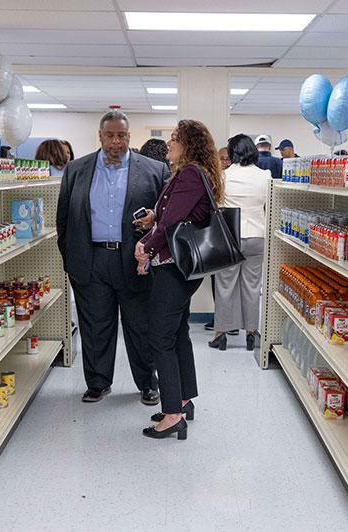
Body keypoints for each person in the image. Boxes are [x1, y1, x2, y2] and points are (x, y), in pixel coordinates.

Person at [56, 110, 169, 405]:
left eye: (121, 135)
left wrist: (153, 225)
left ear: (130, 137)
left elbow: (169, 218)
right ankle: (97, 383)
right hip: (91, 261)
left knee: (141, 327)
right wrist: (71, 260)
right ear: (100, 136)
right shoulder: (76, 170)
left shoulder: (154, 170)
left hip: (135, 262)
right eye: (110, 135)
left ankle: (147, 383)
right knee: (95, 326)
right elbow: (64, 220)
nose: (115, 142)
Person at [135, 119, 224, 440]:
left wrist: (145, 246)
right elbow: (172, 215)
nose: (168, 144)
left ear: (188, 145)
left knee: (159, 337)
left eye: (174, 139)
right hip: (181, 267)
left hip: (174, 268)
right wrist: (154, 219)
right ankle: (184, 399)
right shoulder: (189, 175)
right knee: (178, 332)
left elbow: (173, 222)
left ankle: (172, 413)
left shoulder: (189, 174)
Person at [210, 134, 268, 352]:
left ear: (232, 152)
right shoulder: (265, 176)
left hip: (231, 237)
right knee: (253, 287)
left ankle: (221, 334)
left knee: (225, 286)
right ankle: (251, 334)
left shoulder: (223, 177)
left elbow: (217, 206)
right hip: (257, 236)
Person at [204, 146, 237, 336]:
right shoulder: (213, 179)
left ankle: (228, 322)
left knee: (226, 282)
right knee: (217, 280)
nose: (224, 162)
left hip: (228, 235)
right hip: (215, 236)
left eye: (227, 159)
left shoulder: (231, 179)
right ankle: (222, 318)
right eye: (221, 159)